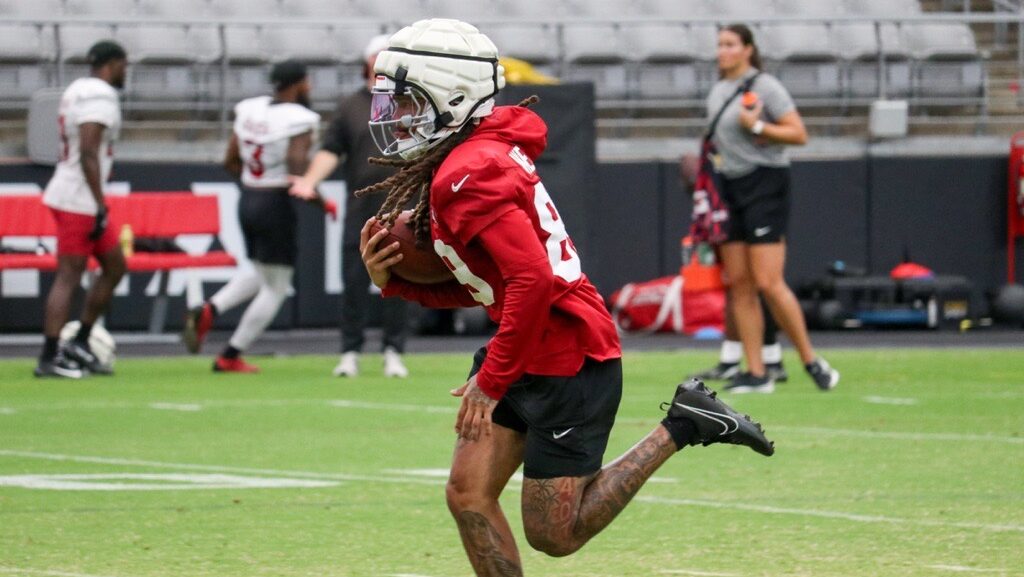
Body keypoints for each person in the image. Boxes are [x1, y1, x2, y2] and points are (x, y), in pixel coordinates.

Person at [357, 19, 774, 577]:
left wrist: (492, 378)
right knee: (467, 495)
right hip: (526, 342)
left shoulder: (468, 171)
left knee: (554, 535)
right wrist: (396, 282)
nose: (399, 117)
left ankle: (685, 423)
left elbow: (531, 283)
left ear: (451, 97)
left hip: (568, 358)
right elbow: (497, 286)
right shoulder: (472, 155)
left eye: (410, 101)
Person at [707, 24, 839, 393]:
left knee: (768, 281)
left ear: (748, 49)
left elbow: (799, 133)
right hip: (729, 186)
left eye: (730, 44)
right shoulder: (718, 89)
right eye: (720, 45)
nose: (722, 51)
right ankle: (757, 371)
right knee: (740, 284)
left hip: (764, 183)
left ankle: (812, 361)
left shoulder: (764, 86)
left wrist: (760, 125)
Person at [181, 61, 323, 373]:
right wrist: (317, 198)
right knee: (277, 286)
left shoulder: (251, 109)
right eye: (306, 82)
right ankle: (230, 354)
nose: (310, 88)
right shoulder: (299, 118)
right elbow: (296, 162)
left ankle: (209, 309)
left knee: (260, 273)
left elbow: (230, 159)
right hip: (275, 201)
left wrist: (255, 184)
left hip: (248, 197)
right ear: (297, 84)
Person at [289, 35, 411, 379]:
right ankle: (350, 351)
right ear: (368, 62)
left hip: (403, 206)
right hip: (362, 208)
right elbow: (331, 150)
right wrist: (310, 180)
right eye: (379, 56)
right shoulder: (351, 106)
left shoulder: (411, 103)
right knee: (355, 279)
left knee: (403, 279)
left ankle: (393, 350)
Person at [35, 41, 128, 379]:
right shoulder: (99, 95)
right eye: (123, 65)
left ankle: (81, 340)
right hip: (79, 198)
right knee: (69, 276)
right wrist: (100, 202)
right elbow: (89, 149)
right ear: (111, 64)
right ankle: (49, 356)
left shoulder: (78, 88)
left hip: (78, 194)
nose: (125, 72)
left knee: (115, 265)